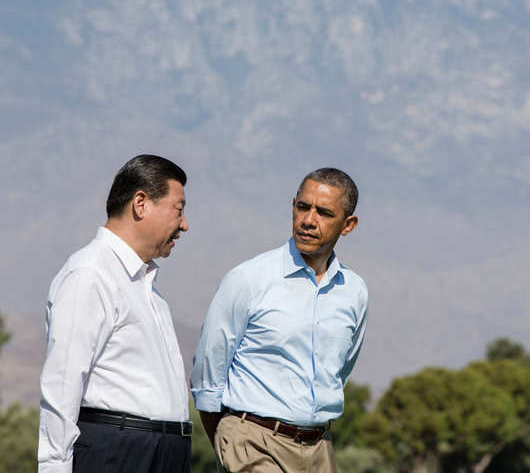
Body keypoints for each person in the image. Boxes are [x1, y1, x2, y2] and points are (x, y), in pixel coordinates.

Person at [191, 167, 368, 472]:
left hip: (320, 449)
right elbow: (208, 374)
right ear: (293, 206)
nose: (308, 221)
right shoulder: (248, 279)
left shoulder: (354, 291)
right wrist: (229, 441)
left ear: (348, 225)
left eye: (324, 212)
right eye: (302, 207)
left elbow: (339, 373)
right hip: (253, 443)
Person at [38, 154, 193, 473]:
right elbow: (62, 384)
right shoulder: (90, 274)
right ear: (141, 203)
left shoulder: (148, 287)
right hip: (118, 454)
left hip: (161, 454)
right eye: (178, 210)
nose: (184, 225)